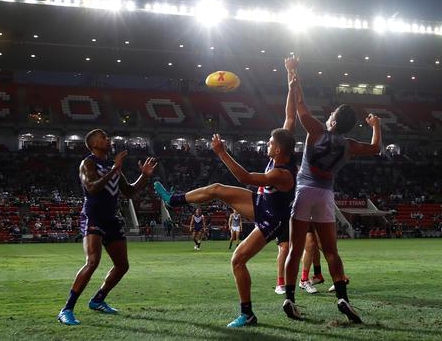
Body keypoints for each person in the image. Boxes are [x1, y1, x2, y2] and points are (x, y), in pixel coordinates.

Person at [153, 57, 299, 328]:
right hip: (260, 202)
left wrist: (221, 153)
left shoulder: (281, 173)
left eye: (269, 142)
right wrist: (291, 76)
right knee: (217, 189)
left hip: (271, 219)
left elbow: (245, 177)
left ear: (278, 150)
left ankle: (247, 313)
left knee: (238, 259)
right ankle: (173, 200)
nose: (266, 143)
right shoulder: (284, 147)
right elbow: (290, 116)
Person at [282, 59, 381, 323]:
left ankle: (290, 298)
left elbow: (299, 106)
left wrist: (294, 76)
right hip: (325, 196)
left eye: (331, 115)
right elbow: (375, 149)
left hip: (303, 190)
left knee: (295, 250)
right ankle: (342, 298)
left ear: (333, 122)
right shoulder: (348, 145)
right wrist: (376, 127)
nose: (328, 117)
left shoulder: (315, 130)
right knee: (332, 252)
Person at [57, 129, 157, 326]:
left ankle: (98, 300)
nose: (108, 139)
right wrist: (114, 169)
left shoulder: (113, 166)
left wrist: (144, 176)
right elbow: (92, 187)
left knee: (122, 265)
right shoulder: (88, 163)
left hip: (111, 219)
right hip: (93, 216)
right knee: (93, 261)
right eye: (103, 137)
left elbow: (129, 192)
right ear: (93, 144)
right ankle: (66, 309)